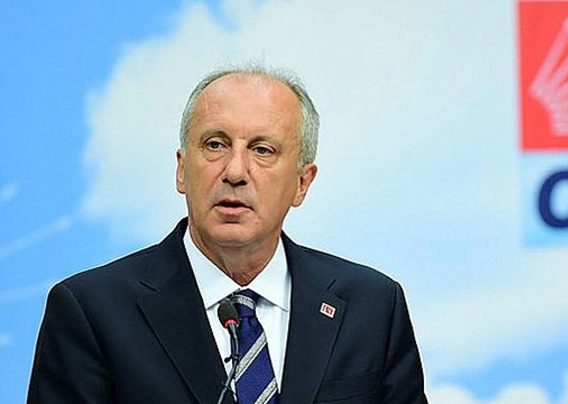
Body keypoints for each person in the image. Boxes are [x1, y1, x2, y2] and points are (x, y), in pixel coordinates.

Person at [28, 64, 428, 403]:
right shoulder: (92, 312)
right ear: (182, 169)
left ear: (302, 183)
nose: (235, 171)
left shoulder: (372, 306)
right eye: (215, 144)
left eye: (263, 150)